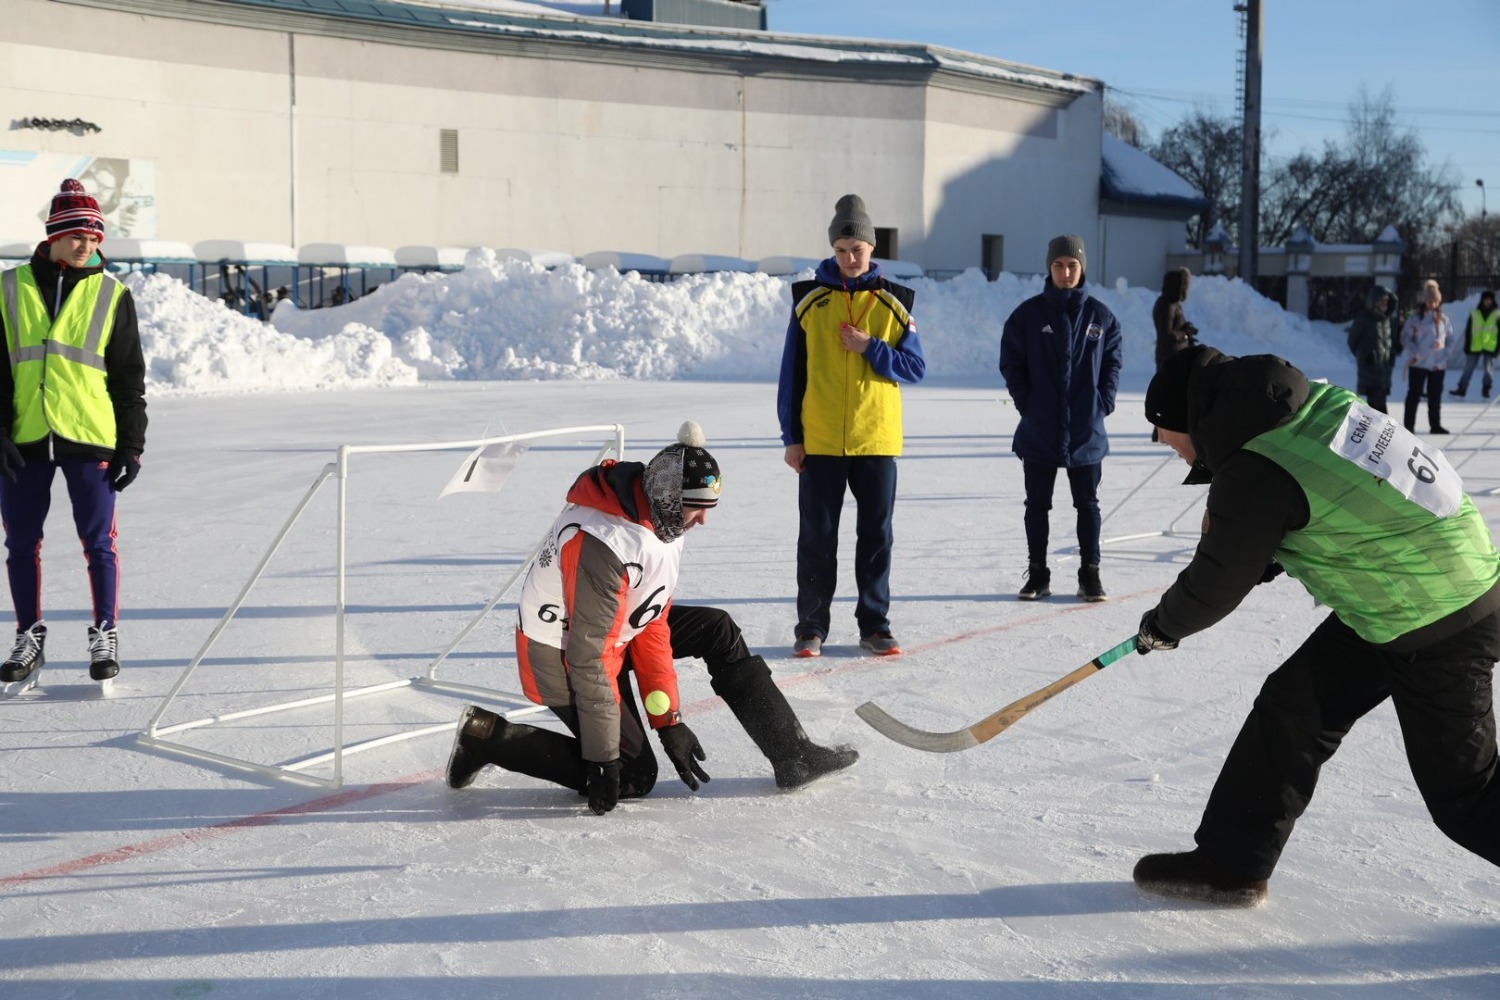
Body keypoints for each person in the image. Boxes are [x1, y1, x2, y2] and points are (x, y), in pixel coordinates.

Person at [1132, 344, 1500, 907]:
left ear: (1189, 419)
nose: (1165, 444)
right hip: (1407, 588)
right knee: (1294, 707)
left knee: (1467, 796)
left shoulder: (1254, 466)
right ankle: (1232, 863)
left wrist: (1163, 625)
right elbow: (1338, 499)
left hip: (1435, 612)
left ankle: (1233, 860)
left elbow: (1217, 582)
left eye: (1163, 432)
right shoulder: (1305, 407)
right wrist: (1263, 550)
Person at [445, 422, 858, 814]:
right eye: (696, 508)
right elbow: (588, 656)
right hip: (562, 657)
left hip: (614, 634)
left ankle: (793, 755)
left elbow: (651, 620)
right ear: (669, 497)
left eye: (708, 507)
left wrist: (667, 720)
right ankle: (488, 737)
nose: (704, 520)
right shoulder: (603, 544)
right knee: (634, 774)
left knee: (717, 630)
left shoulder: (661, 519)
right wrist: (602, 761)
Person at [0, 178, 148, 686]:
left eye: (93, 238)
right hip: (24, 437)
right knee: (21, 543)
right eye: (76, 236)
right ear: (54, 236)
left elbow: (129, 379)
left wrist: (131, 444)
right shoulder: (8, 288)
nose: (86, 245)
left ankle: (105, 632)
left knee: (98, 543)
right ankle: (28, 637)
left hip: (89, 436)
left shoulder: (112, 295)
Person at [776, 194, 926, 658]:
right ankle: (811, 627)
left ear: (871, 247)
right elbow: (792, 376)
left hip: (875, 440)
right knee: (816, 539)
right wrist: (792, 437)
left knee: (876, 538)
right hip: (820, 441)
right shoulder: (809, 302)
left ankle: (875, 625)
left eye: (856, 249)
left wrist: (870, 347)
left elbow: (915, 368)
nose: (848, 258)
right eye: (841, 250)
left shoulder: (895, 302)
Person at [998, 235, 1123, 602]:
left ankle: (1090, 574)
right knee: (1037, 504)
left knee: (1088, 505)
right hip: (1039, 428)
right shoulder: (1028, 316)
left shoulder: (1101, 317)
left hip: (1086, 429)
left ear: (1082, 269)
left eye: (1072, 265)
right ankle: (1038, 573)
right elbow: (1011, 363)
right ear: (1049, 268)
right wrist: (1027, 403)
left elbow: (1113, 362)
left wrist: (1103, 402)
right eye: (1058, 265)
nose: (1065, 272)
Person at [1399, 279, 1452, 434]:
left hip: (1438, 365)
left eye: (1435, 301)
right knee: (1414, 395)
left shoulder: (1444, 319)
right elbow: (1405, 338)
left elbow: (1450, 339)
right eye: (1430, 301)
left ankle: (1435, 425)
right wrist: (1415, 352)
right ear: (1424, 301)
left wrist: (1445, 355)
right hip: (1419, 363)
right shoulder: (1415, 318)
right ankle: (1409, 426)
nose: (1433, 304)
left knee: (1435, 396)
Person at [1345, 284, 1397, 413]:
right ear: (1374, 300)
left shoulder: (1387, 319)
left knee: (1376, 407)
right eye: (1381, 300)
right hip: (1370, 369)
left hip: (1383, 371)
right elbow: (1352, 341)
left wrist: (1390, 355)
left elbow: (1389, 342)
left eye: (1386, 300)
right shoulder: (1363, 318)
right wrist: (1364, 356)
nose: (1384, 303)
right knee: (1379, 408)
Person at [1450, 288, 1498, 400]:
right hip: (1475, 345)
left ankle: (1486, 389)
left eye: (1490, 300)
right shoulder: (1475, 313)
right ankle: (1462, 388)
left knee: (1488, 370)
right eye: (1486, 299)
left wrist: (1497, 348)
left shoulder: (1497, 314)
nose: (1488, 302)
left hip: (1490, 346)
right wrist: (1467, 345)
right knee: (1468, 368)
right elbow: (1468, 330)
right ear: (1482, 300)